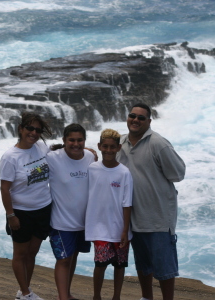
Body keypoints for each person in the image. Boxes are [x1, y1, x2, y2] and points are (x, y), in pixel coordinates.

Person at [116, 103, 186, 300]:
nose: (136, 120)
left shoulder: (158, 144)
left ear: (149, 121)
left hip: (158, 218)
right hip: (134, 218)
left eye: (141, 117)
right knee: (143, 263)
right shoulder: (120, 143)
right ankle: (146, 297)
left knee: (164, 268)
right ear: (127, 118)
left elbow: (178, 173)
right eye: (133, 116)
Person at [0, 111, 53, 300]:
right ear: (21, 129)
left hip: (43, 208)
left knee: (32, 253)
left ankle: (25, 290)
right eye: (30, 128)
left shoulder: (41, 148)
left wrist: (87, 151)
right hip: (21, 212)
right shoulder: (10, 157)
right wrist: (11, 215)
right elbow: (5, 189)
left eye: (37, 130)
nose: (34, 133)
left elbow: (59, 152)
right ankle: (25, 293)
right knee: (20, 254)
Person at [46, 124, 96, 300]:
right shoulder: (52, 158)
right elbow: (31, 157)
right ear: (64, 140)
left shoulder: (90, 156)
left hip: (83, 221)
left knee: (73, 256)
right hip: (61, 221)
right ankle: (63, 298)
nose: (76, 144)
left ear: (84, 140)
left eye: (79, 140)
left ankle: (67, 293)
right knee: (63, 260)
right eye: (71, 140)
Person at [85, 129, 133, 300]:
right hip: (98, 227)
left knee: (120, 266)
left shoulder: (124, 172)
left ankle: (116, 297)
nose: (108, 150)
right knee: (100, 264)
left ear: (118, 148)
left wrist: (125, 230)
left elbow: (127, 204)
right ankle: (96, 296)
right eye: (105, 146)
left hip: (119, 227)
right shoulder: (92, 169)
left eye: (112, 147)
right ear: (99, 146)